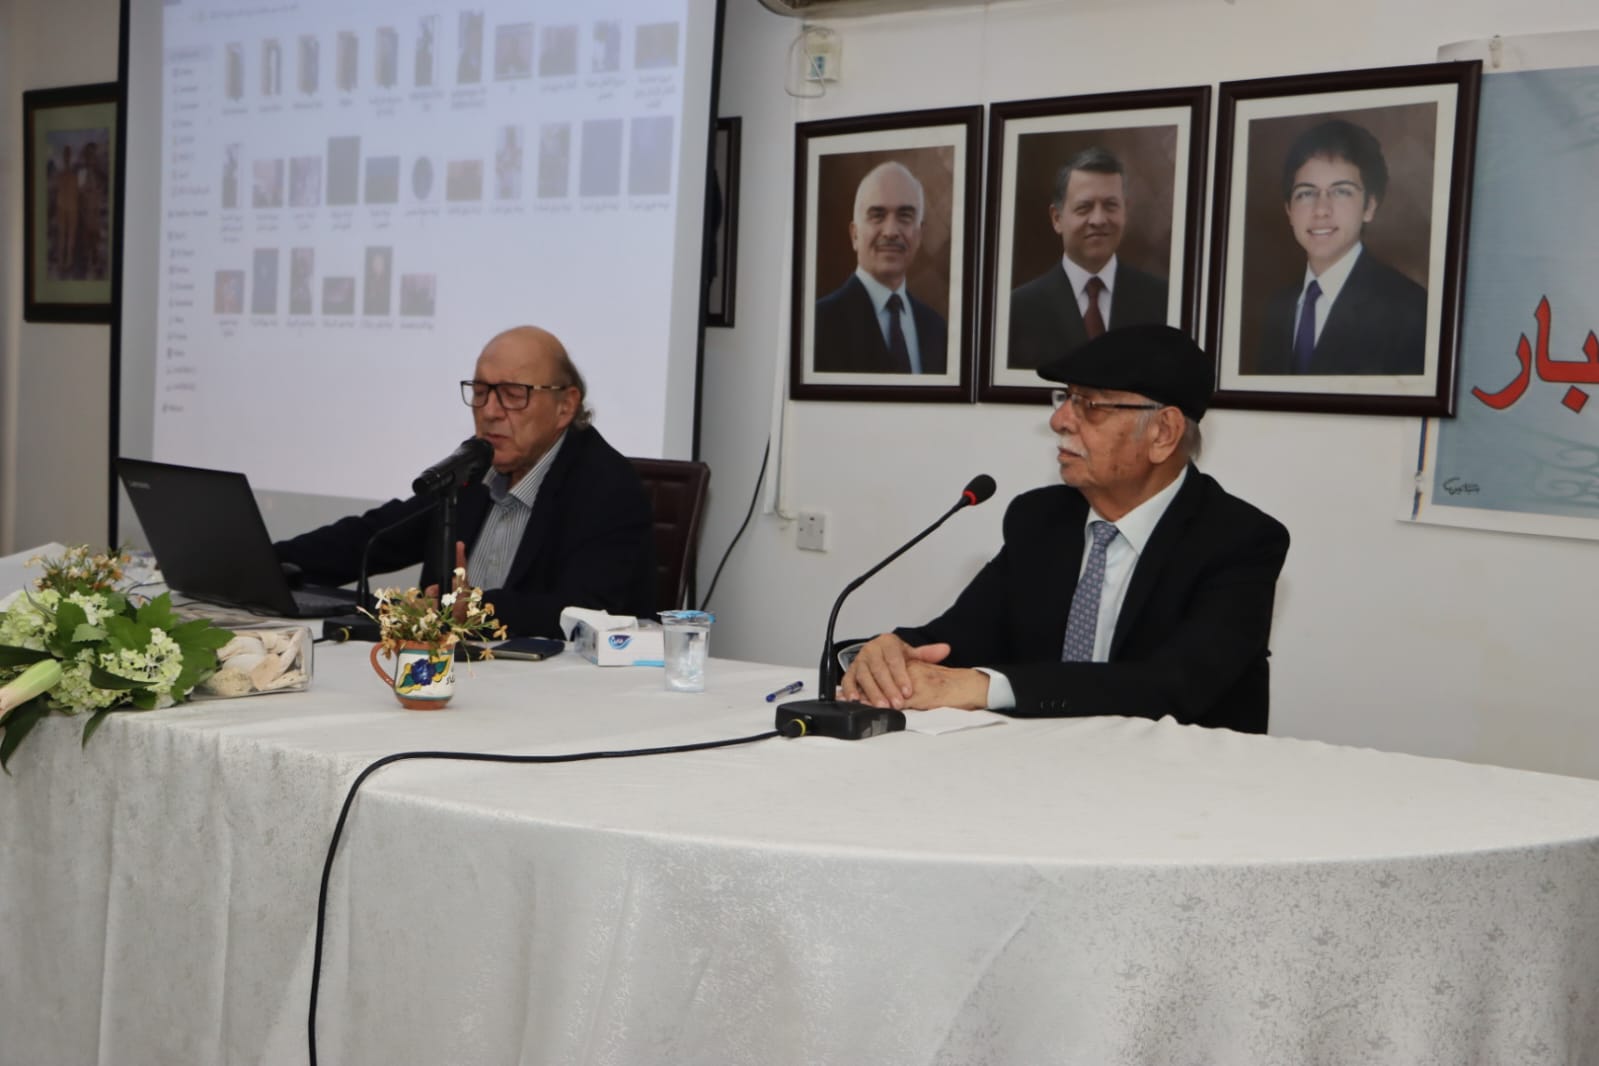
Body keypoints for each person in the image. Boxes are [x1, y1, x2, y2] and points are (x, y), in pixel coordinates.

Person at [841, 324, 1289, 733]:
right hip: (1043, 764)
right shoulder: (1039, 519)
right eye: (1066, 398)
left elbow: (1173, 685)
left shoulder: (1241, 541)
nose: (1059, 421)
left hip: (1183, 778)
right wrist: (890, 653)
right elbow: (955, 640)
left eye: (1090, 405)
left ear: (1163, 433)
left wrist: (985, 687)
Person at [276, 326, 656, 637]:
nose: (489, 411)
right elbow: (374, 538)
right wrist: (268, 563)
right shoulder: (472, 471)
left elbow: (585, 611)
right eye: (480, 392)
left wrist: (475, 609)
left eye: (512, 395)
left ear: (565, 406)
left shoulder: (607, 487)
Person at [1249, 119, 1426, 376]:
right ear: (1289, 210)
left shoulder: (1409, 310)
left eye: (1341, 192)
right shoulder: (1278, 306)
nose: (1321, 210)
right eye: (1306, 193)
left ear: (1369, 207)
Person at [1007, 147, 1169, 370]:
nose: (1099, 219)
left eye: (1110, 206)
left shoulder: (1162, 300)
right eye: (1084, 207)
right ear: (1057, 218)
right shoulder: (1018, 310)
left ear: (1125, 211)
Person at [813, 161, 948, 375]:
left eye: (904, 216)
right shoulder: (816, 325)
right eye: (877, 216)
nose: (891, 231)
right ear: (855, 235)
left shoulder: (937, 330)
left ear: (920, 235)